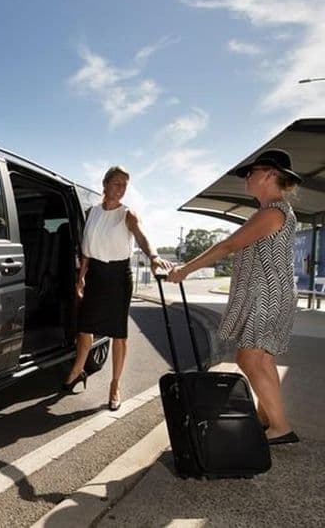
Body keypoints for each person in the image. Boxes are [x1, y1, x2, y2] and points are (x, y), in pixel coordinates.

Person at [168, 148, 302, 445]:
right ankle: (268, 420)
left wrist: (184, 270)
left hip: (267, 295)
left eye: (252, 172)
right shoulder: (276, 210)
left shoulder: (273, 211)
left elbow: (227, 246)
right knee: (263, 361)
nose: (247, 178)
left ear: (270, 174)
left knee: (249, 358)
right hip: (272, 294)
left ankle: (280, 427)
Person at [62, 166, 172, 410]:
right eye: (117, 183)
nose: (121, 189)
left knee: (118, 333)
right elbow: (87, 248)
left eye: (125, 185)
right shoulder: (92, 212)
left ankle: (115, 385)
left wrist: (153, 256)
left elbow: (142, 236)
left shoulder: (128, 214)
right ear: (105, 184)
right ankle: (78, 369)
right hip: (96, 275)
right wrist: (81, 277)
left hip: (118, 276)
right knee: (85, 326)